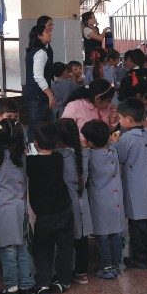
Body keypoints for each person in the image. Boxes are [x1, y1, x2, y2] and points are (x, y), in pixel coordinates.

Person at [0, 118, 34, 294]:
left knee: (7, 250)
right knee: (22, 247)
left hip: (3, 211)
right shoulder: (21, 157)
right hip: (20, 208)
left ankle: (12, 288)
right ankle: (27, 286)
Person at [113, 98, 147, 269]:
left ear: (128, 119)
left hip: (137, 187)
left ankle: (141, 259)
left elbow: (120, 157)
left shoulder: (127, 138)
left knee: (138, 226)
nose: (119, 121)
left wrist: (114, 143)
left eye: (120, 118)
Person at [26, 123, 73, 294]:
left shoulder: (31, 162)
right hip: (64, 208)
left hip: (45, 214)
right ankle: (63, 280)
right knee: (65, 246)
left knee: (42, 248)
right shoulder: (58, 158)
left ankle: (43, 284)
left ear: (36, 142)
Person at [83, 119, 123, 280]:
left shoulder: (89, 155)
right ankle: (117, 264)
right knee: (116, 231)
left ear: (89, 142)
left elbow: (85, 177)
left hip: (99, 199)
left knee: (102, 234)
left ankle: (106, 267)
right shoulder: (113, 151)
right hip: (116, 197)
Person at [55, 118, 92, 285]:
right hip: (82, 201)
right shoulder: (84, 152)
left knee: (67, 240)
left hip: (67, 203)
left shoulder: (59, 156)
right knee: (82, 238)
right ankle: (82, 271)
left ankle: (65, 272)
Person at [22, 25, 55, 143]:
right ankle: (33, 149)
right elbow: (38, 76)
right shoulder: (40, 53)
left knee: (38, 124)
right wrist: (50, 95)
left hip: (33, 94)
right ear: (39, 36)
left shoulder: (33, 51)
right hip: (38, 95)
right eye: (47, 32)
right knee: (36, 126)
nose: (50, 33)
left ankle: (38, 147)